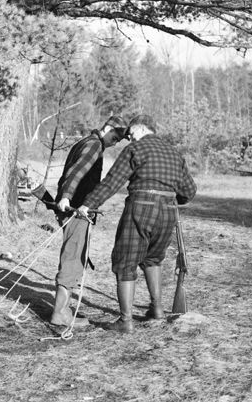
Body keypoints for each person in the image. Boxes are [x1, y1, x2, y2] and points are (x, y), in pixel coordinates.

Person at [77, 114, 197, 333]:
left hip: (141, 207)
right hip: (169, 211)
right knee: (153, 259)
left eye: (131, 134)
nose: (130, 139)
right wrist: (169, 198)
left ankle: (125, 321)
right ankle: (157, 310)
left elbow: (112, 182)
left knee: (125, 261)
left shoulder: (136, 149)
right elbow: (189, 192)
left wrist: (88, 204)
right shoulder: (175, 153)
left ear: (141, 129)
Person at [49, 115, 127, 327]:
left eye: (120, 139)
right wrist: (66, 196)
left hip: (74, 208)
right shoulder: (94, 146)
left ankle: (62, 308)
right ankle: (60, 313)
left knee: (74, 256)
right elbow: (75, 172)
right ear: (108, 128)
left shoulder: (85, 142)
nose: (117, 141)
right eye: (116, 136)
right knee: (73, 259)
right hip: (76, 210)